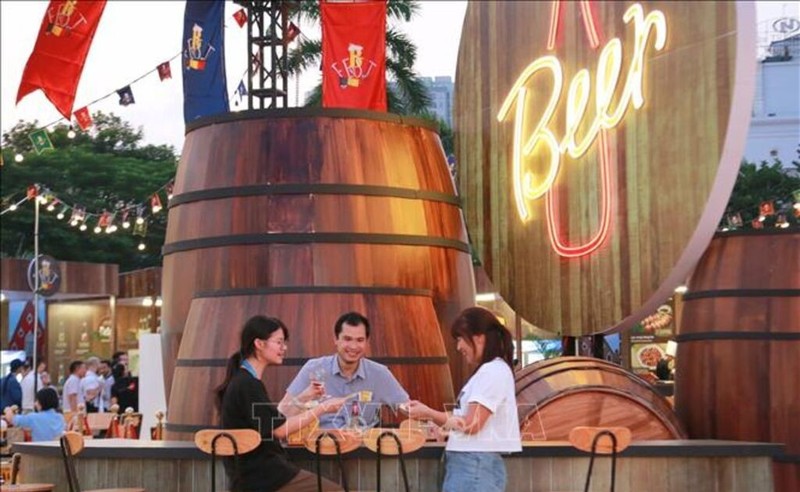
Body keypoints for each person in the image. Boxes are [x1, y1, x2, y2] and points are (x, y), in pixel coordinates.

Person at [215, 315, 347, 492]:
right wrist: (323, 408)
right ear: (259, 344)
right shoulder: (248, 384)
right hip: (264, 477)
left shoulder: (243, 380)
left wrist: (304, 397)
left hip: (254, 475)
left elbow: (274, 418)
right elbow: (280, 430)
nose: (284, 348)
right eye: (279, 342)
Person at [406, 307, 521, 492]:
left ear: (479, 338)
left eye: (460, 339)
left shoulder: (492, 371)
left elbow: (472, 424)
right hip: (473, 466)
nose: (458, 347)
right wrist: (445, 428)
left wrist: (429, 413)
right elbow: (469, 421)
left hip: (473, 467)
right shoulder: (490, 371)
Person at [278, 312, 409, 429]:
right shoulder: (314, 368)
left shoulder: (379, 374)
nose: (353, 346)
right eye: (347, 339)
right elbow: (282, 413)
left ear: (367, 342)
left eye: (360, 340)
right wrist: (306, 398)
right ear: (336, 339)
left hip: (362, 449)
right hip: (320, 447)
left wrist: (429, 415)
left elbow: (407, 407)